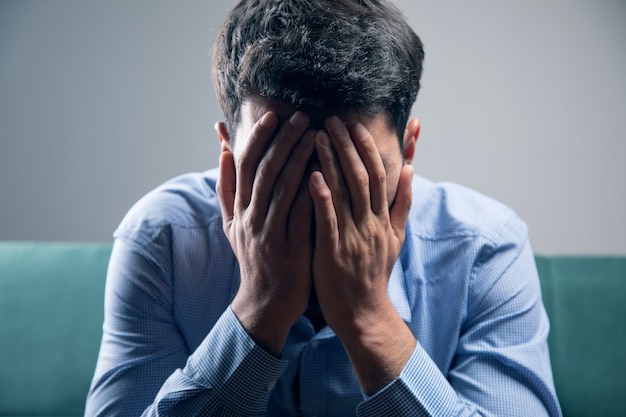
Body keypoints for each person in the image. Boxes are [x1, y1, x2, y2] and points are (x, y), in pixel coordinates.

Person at [85, 0, 562, 415]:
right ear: (228, 152)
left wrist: (370, 318)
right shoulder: (162, 240)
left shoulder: (485, 247)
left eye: (356, 175)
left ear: (409, 148)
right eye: (279, 170)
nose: (320, 205)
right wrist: (259, 309)